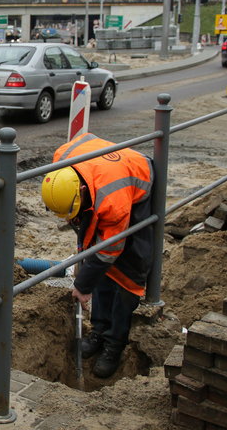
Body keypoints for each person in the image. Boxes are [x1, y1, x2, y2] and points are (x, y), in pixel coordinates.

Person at [40, 132, 154, 378]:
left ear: (81, 190)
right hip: (107, 173)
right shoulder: (61, 163)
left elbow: (109, 249)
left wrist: (82, 285)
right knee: (99, 266)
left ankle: (114, 343)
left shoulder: (114, 203)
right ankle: (99, 331)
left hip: (136, 178)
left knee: (129, 271)